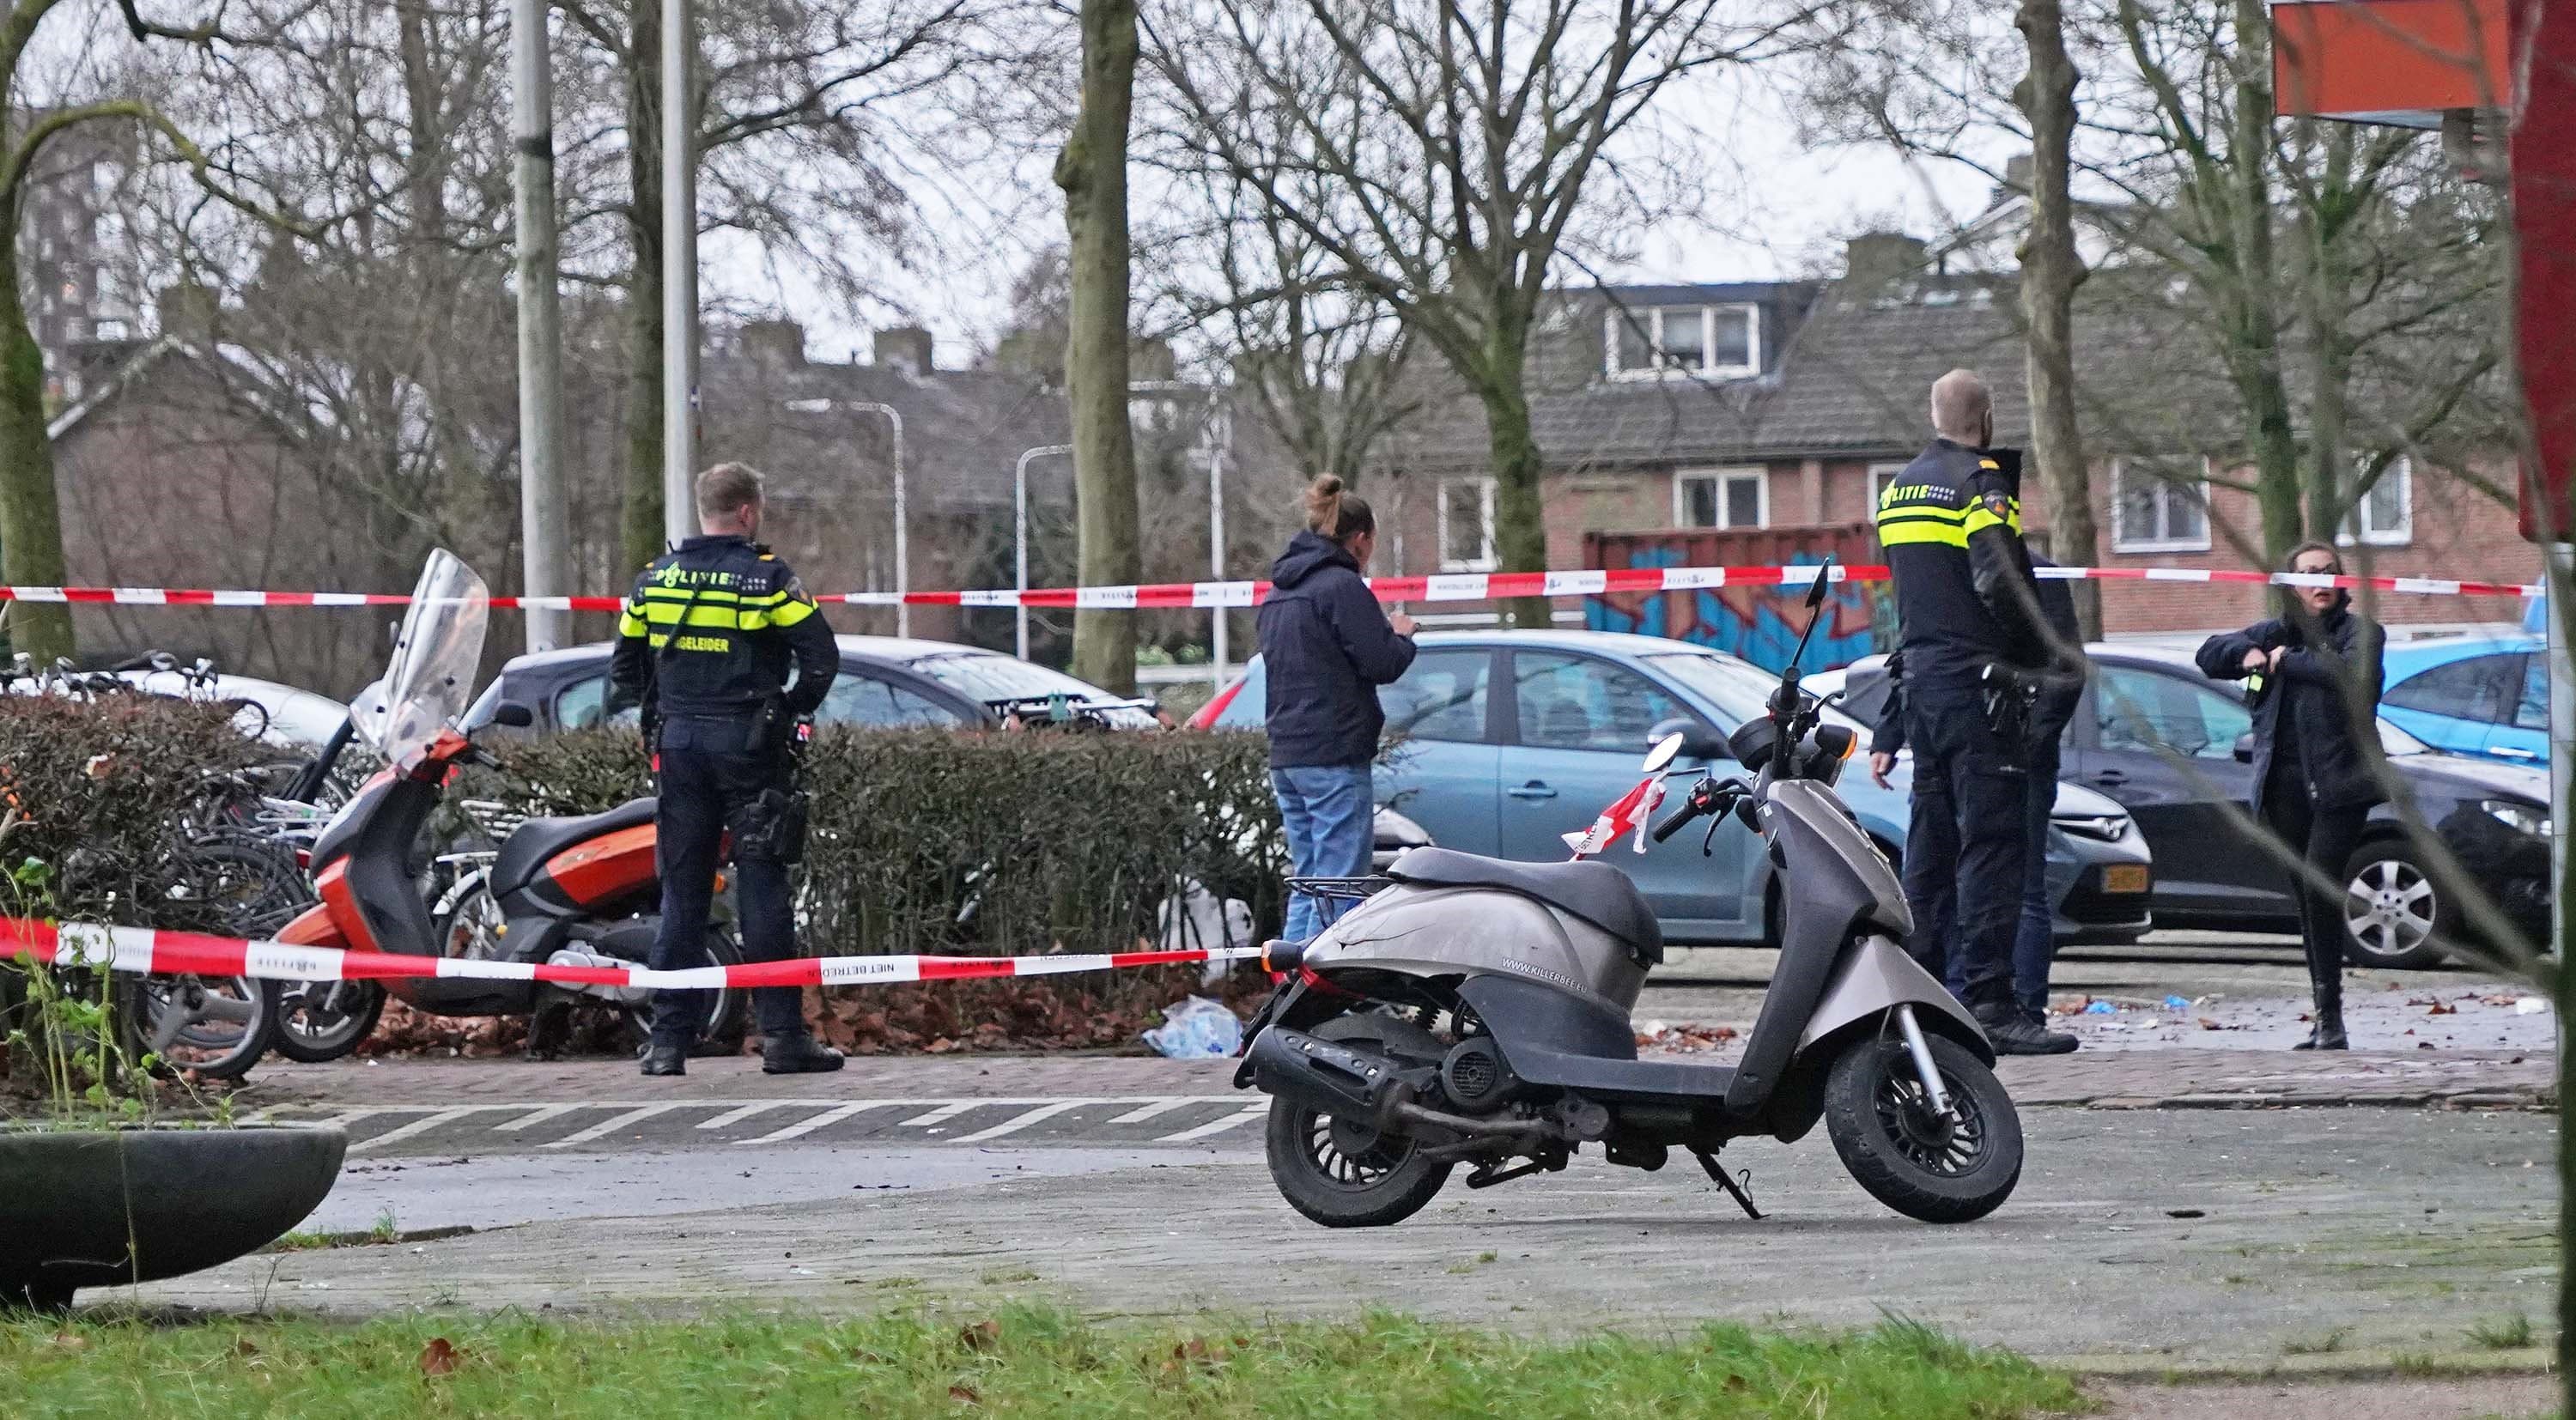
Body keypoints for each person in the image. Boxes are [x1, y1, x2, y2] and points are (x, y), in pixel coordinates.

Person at [611, 463, 845, 1077]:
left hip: (680, 747)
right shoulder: (766, 580)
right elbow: (821, 658)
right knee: (762, 888)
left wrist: (656, 720)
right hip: (748, 746)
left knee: (682, 893)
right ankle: (783, 1039)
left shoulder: (653, 581)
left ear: (702, 510)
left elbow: (625, 668)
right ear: (748, 511)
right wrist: (790, 710)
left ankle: (666, 1043)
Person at [1870, 370, 2078, 1055]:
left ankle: (1917, 993)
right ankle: (1990, 1002)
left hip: (1924, 686)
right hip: (1980, 690)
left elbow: (1913, 599)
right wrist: (2032, 655)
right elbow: (1998, 578)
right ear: (1986, 417)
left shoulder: (1897, 489)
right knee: (1993, 845)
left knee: (1930, 848)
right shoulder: (1983, 483)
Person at [1865, 544, 2084, 1034]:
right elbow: (1919, 657)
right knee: (1938, 877)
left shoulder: (2037, 576)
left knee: (2018, 882)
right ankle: (1943, 1003)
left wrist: (2029, 739)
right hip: (1953, 744)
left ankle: (2019, 1007)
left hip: (2014, 755)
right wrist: (1891, 730)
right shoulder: (1946, 575)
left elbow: (2064, 666)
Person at [2196, 543, 2386, 1050]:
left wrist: (2287, 661)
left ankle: (2332, 1019)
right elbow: (2209, 654)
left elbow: (2353, 679)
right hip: (2282, 787)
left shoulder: (2362, 634)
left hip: (2342, 784)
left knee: (2320, 883)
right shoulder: (2274, 631)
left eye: (2328, 573)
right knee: (2306, 899)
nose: (2320, 581)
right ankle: (2325, 1014)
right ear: (2291, 583)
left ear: (2342, 581)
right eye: (2307, 574)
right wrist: (2249, 653)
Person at [1257, 474, 1418, 944]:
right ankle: (1324, 993)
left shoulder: (1280, 592)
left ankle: (1290, 987)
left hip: (1287, 755)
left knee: (1309, 880)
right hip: (1334, 754)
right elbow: (1383, 663)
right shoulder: (1342, 588)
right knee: (1340, 886)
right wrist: (1403, 635)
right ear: (1361, 539)